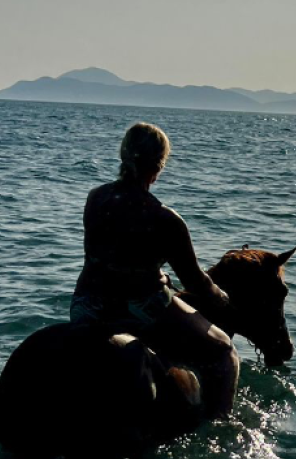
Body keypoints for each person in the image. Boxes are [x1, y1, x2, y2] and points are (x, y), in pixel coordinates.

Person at [70, 121, 239, 418]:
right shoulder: (165, 219)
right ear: (159, 166)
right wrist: (220, 296)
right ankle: (222, 425)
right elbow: (193, 280)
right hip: (141, 307)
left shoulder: (95, 198)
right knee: (224, 351)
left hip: (86, 304)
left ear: (123, 155)